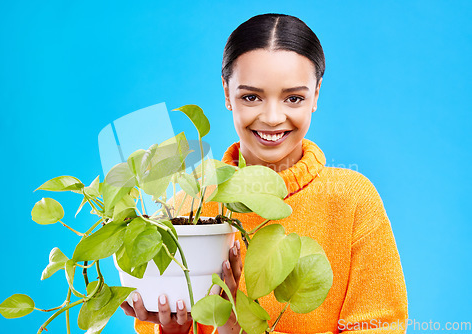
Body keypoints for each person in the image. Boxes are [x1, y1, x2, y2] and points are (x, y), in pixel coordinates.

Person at [121, 13, 408, 334]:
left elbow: (382, 327)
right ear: (227, 93)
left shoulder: (352, 199)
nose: (272, 117)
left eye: (294, 98)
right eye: (251, 97)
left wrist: (241, 329)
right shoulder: (188, 207)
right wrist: (175, 330)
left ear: (316, 95)